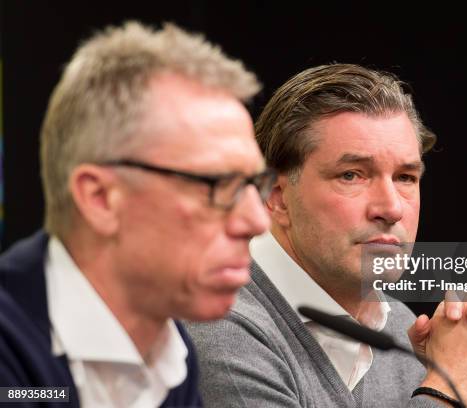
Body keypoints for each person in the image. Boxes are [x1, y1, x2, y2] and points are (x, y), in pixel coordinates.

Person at [186, 64, 467, 407]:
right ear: (276, 197)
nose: (391, 208)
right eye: (352, 175)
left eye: (405, 178)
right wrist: (453, 383)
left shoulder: (401, 324)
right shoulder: (218, 326)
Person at [0, 21, 273, 407]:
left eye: (252, 183)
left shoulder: (171, 351)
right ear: (100, 199)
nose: (257, 222)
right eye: (216, 183)